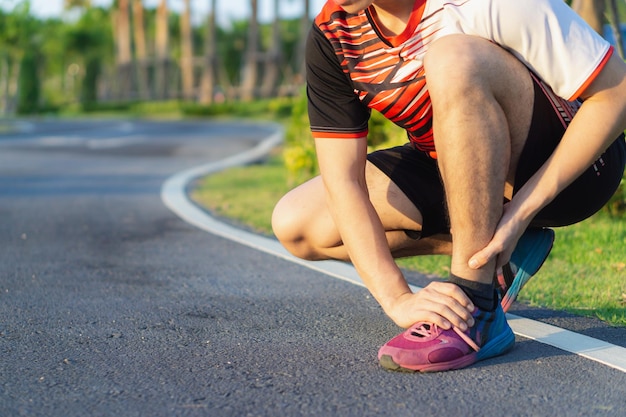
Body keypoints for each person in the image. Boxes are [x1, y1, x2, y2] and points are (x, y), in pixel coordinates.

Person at [271, 0, 626, 372]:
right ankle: (497, 254)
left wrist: (522, 210)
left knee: (452, 56)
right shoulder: (335, 32)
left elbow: (615, 93)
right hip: (455, 163)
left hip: (573, 168)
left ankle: (477, 303)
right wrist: (397, 299)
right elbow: (343, 181)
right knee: (298, 223)